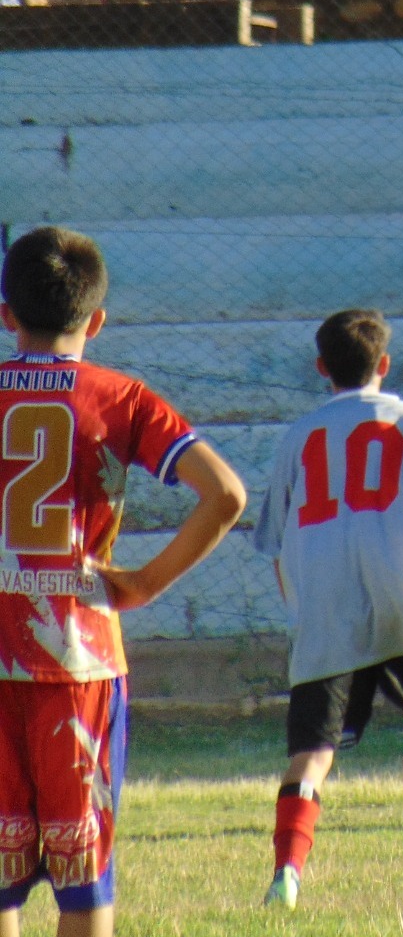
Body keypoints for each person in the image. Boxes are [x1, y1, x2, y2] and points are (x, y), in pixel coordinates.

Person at [0, 227, 246, 937]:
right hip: (79, 656)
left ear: (6, 313)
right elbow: (226, 494)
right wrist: (141, 583)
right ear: (96, 320)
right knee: (84, 884)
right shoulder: (124, 397)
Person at [253, 309, 403, 910]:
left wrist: (300, 605)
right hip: (396, 595)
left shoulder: (298, 436)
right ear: (384, 365)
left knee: (313, 750)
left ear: (321, 369)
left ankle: (287, 875)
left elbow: (274, 544)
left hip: (324, 607)